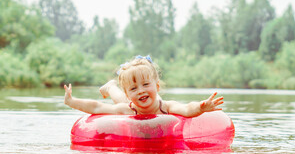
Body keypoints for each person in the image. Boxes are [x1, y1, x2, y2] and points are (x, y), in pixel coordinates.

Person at [64, 55, 224, 117]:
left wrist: (201, 107)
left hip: (154, 102)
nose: (141, 90)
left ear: (157, 86)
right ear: (128, 93)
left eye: (146, 84)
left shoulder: (166, 107)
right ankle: (111, 86)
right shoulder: (128, 108)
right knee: (122, 103)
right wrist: (72, 101)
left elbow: (187, 109)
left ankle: (112, 86)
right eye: (133, 88)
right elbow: (97, 107)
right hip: (130, 104)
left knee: (127, 101)